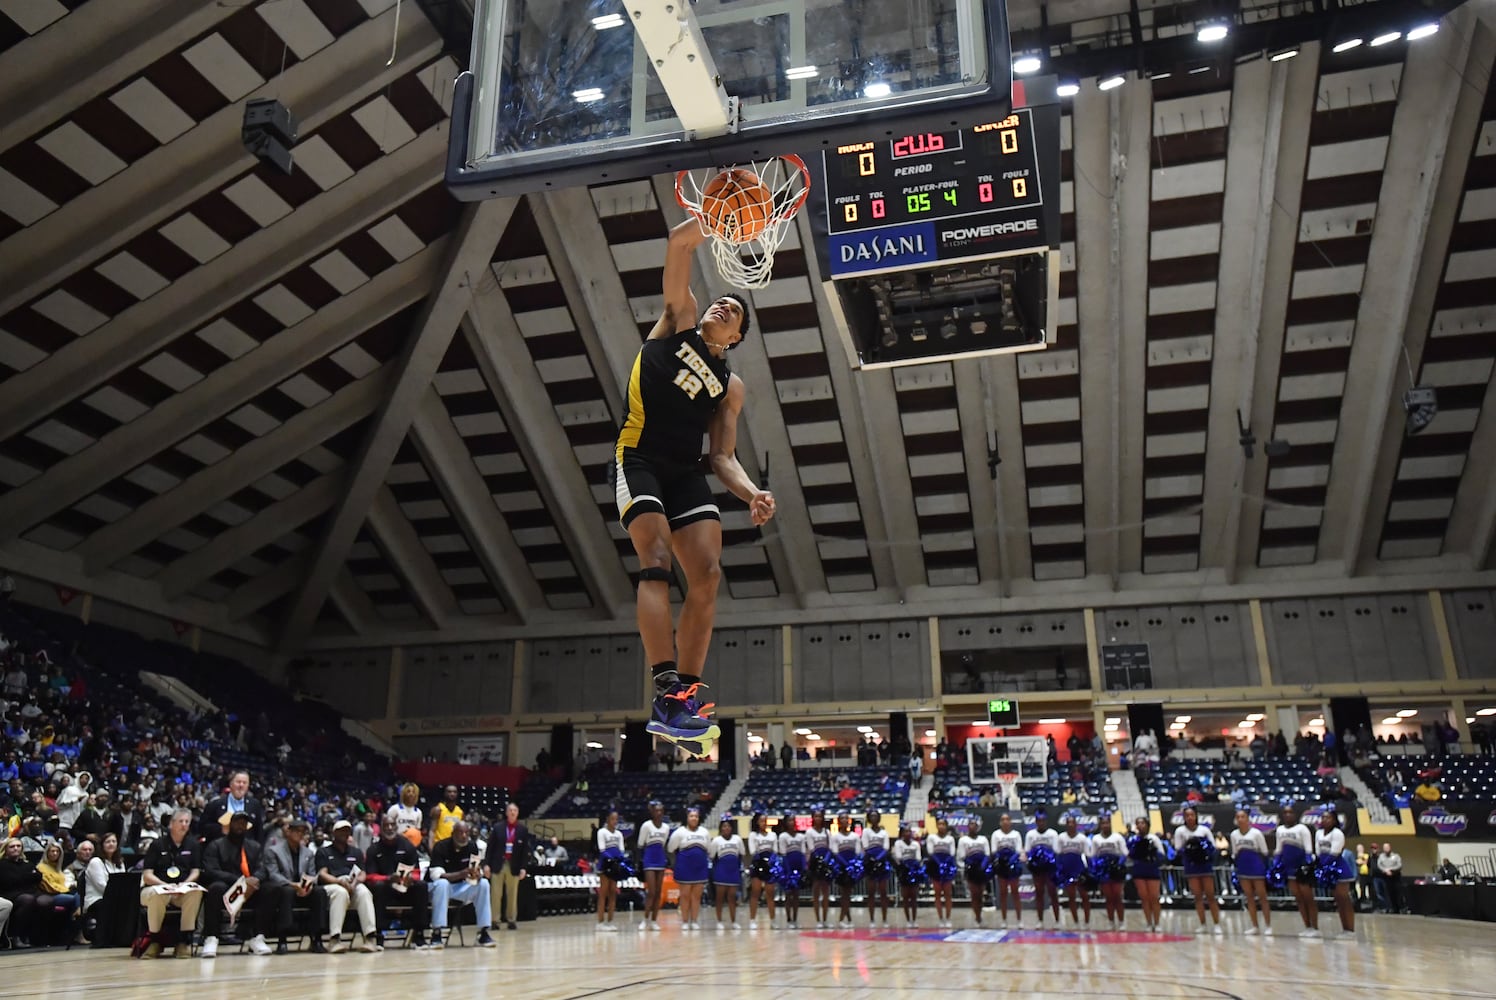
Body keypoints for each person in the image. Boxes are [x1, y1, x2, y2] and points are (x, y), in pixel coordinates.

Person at [620, 217, 775, 759]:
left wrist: (751, 492)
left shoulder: (730, 386)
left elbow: (722, 457)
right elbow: (679, 244)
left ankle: (681, 701)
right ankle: (665, 685)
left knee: (707, 574)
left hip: (685, 472)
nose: (720, 307)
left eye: (732, 310)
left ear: (735, 337)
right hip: (638, 456)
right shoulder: (678, 320)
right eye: (719, 301)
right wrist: (718, 216)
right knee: (656, 555)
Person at [137, 808, 206, 959]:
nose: (184, 825)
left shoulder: (193, 845)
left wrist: (184, 885)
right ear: (171, 824)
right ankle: (154, 941)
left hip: (180, 891)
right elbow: (147, 875)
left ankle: (184, 941)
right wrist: (164, 885)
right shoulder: (157, 844)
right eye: (181, 821)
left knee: (196, 891)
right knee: (157, 894)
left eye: (187, 822)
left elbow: (196, 872)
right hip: (155, 888)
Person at [252, 817, 326, 956]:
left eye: (303, 832)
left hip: (303, 889)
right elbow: (273, 874)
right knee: (286, 892)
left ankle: (317, 938)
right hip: (285, 888)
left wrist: (309, 884)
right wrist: (293, 885)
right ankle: (282, 938)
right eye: (297, 831)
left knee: (319, 891)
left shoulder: (308, 853)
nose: (300, 834)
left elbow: (312, 874)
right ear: (288, 832)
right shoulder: (273, 851)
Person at [199, 811, 261, 958]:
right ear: (230, 824)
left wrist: (256, 879)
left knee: (270, 889)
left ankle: (257, 937)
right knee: (215, 888)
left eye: (243, 823)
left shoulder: (255, 846)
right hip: (226, 885)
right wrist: (239, 881)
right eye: (237, 822)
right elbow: (211, 870)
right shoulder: (216, 845)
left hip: (249, 887)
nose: (240, 825)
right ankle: (211, 937)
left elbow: (262, 868)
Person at [427, 820, 496, 948]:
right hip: (438, 889)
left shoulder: (472, 847)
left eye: (466, 833)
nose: (464, 836)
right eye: (460, 833)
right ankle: (436, 933)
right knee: (442, 884)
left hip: (461, 887)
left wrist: (477, 874)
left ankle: (483, 932)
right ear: (453, 833)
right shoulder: (440, 847)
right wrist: (461, 873)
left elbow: (476, 869)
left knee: (484, 884)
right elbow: (436, 876)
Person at [315, 818, 380, 953]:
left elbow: (362, 873)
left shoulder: (356, 852)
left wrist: (355, 883)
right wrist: (339, 882)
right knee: (340, 892)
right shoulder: (324, 852)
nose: (345, 833)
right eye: (341, 831)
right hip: (332, 885)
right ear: (334, 833)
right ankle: (334, 940)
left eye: (347, 831)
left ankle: (370, 938)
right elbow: (322, 874)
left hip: (352, 884)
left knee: (364, 892)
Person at [366, 819, 430, 949]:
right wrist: (388, 878)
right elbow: (370, 876)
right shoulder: (373, 849)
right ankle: (379, 935)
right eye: (386, 825)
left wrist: (411, 878)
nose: (389, 828)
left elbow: (417, 872)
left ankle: (419, 934)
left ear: (397, 827)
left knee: (421, 886)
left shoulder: (407, 846)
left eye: (392, 825)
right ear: (381, 829)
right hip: (385, 889)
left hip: (405, 888)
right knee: (378, 887)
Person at [1173, 806, 1220, 935]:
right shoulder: (1180, 831)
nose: (1189, 817)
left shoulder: (1204, 830)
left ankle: (1217, 924)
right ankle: (1203, 924)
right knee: (1198, 896)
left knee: (1210, 895)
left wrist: (1201, 848)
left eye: (1192, 815)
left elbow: (1213, 847)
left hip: (1204, 865)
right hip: (1191, 866)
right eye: (1187, 815)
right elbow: (1178, 848)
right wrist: (1190, 848)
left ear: (1196, 816)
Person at [486, 802, 530, 932]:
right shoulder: (498, 827)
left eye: (514, 810)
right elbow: (490, 848)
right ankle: (495, 920)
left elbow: (525, 851)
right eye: (510, 810)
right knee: (495, 894)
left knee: (512, 894)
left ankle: (511, 920)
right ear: (506, 813)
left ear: (517, 813)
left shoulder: (522, 830)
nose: (512, 813)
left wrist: (523, 867)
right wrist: (486, 865)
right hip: (498, 864)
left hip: (514, 864)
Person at [1274, 805, 1317, 937]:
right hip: (1289, 868)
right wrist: (1276, 864)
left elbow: (1309, 850)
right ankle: (1307, 926)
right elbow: (1278, 849)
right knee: (1298, 898)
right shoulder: (1280, 830)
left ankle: (1315, 927)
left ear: (1296, 814)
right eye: (1285, 813)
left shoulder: (1302, 829)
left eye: (1290, 812)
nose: (1288, 815)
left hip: (1302, 868)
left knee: (1308, 898)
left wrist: (1308, 866)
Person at [667, 808, 710, 930]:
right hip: (684, 867)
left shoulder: (704, 832)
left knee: (696, 896)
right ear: (687, 818)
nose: (694, 818)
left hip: (700, 867)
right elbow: (670, 848)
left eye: (696, 816)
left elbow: (709, 848)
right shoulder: (679, 832)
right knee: (685, 895)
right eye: (691, 816)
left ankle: (694, 921)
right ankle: (685, 921)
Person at [1315, 811, 1356, 940]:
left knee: (1344, 899)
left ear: (1334, 820)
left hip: (1338, 869)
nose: (1325, 819)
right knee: (1338, 901)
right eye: (1323, 817)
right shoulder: (1318, 833)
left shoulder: (1338, 833)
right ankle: (1344, 929)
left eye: (1328, 817)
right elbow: (1318, 851)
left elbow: (1335, 853)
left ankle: (1350, 930)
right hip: (1327, 869)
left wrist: (1323, 866)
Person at [1230, 809, 1271, 936]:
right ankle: (1255, 926)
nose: (1240, 819)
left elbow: (1264, 852)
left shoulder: (1256, 833)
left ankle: (1268, 926)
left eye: (1243, 817)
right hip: (1243, 868)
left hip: (1256, 867)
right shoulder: (1234, 834)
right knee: (1249, 898)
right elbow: (1234, 852)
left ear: (1248, 819)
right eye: (1238, 817)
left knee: (1262, 897)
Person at [201, 771, 265, 844]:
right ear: (231, 784)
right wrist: (220, 829)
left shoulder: (254, 805)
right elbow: (203, 827)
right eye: (238, 782)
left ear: (248, 786)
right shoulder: (216, 804)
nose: (241, 785)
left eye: (244, 783)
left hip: (244, 849)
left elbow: (259, 832)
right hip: (221, 846)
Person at [1024, 810, 1061, 927]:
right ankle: (1040, 921)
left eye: (1043, 821)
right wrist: (1033, 861)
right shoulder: (1030, 835)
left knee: (1053, 893)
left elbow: (1056, 851)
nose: (1041, 823)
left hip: (1050, 868)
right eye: (1039, 821)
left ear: (1046, 821)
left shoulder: (1053, 834)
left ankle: (1057, 920)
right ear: (1035, 822)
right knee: (1039, 894)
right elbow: (1028, 852)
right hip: (1037, 869)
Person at [637, 801, 670, 932]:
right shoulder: (646, 826)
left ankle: (654, 920)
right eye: (656, 810)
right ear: (652, 812)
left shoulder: (666, 828)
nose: (659, 813)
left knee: (658, 892)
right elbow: (640, 844)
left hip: (660, 859)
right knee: (651, 891)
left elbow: (664, 843)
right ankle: (645, 919)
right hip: (649, 860)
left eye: (661, 810)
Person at [1090, 815, 1127, 931]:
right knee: (1109, 897)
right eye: (1103, 823)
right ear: (1100, 825)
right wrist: (1096, 867)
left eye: (1107, 823)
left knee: (1118, 896)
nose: (1105, 825)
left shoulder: (1118, 837)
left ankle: (1121, 922)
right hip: (1103, 869)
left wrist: (1119, 864)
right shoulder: (1096, 838)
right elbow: (1093, 855)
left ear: (1111, 824)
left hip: (1116, 868)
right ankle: (1111, 922)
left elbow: (1125, 852)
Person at [1055, 815, 1092, 927]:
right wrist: (1059, 870)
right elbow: (1058, 853)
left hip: (1079, 868)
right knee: (1071, 896)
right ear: (1066, 825)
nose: (1070, 824)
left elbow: (1087, 855)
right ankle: (1075, 922)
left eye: (1072, 822)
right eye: (1068, 822)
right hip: (1067, 869)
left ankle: (1086, 922)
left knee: (1084, 896)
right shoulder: (1061, 837)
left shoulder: (1082, 838)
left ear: (1076, 824)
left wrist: (1089, 870)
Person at [708, 817, 744, 930]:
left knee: (732, 898)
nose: (726, 828)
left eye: (728, 826)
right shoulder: (716, 840)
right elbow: (712, 856)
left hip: (733, 871)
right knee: (719, 898)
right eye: (724, 826)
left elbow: (741, 854)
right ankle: (719, 921)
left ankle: (734, 921)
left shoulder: (737, 839)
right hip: (720, 871)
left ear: (732, 828)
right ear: (720, 828)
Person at [595, 810, 628, 932]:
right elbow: (602, 849)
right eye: (613, 819)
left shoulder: (619, 834)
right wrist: (612, 860)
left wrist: (620, 862)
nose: (615, 821)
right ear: (607, 819)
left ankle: (610, 921)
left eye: (617, 819)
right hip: (605, 864)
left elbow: (621, 850)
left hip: (615, 865)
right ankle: (600, 922)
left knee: (613, 892)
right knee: (603, 893)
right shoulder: (601, 832)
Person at [744, 813, 778, 929]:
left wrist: (770, 862)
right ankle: (752, 920)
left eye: (765, 821)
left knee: (770, 894)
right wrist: (762, 861)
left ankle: (773, 920)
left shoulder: (773, 835)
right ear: (757, 822)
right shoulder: (753, 835)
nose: (764, 823)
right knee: (755, 893)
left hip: (770, 865)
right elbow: (753, 851)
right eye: (761, 821)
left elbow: (775, 850)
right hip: (758, 864)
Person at [83, 832, 125, 924]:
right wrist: (120, 896)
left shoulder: (120, 863)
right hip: (96, 900)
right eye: (108, 842)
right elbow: (102, 886)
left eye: (114, 841)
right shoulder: (96, 862)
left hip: (115, 899)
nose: (111, 844)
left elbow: (123, 882)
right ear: (102, 845)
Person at [924, 817, 957, 929]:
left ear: (946, 826)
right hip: (935, 866)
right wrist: (939, 863)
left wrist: (945, 864)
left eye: (943, 824)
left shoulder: (950, 839)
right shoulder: (931, 837)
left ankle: (948, 918)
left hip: (947, 865)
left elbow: (952, 852)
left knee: (948, 894)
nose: (941, 826)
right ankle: (940, 918)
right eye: (939, 824)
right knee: (937, 894)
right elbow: (930, 852)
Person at [830, 811, 861, 927]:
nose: (844, 821)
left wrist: (853, 865)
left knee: (847, 893)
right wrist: (845, 865)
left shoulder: (855, 836)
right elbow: (835, 852)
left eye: (846, 819)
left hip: (852, 868)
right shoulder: (835, 837)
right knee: (844, 893)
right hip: (841, 868)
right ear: (838, 822)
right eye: (841, 819)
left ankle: (847, 919)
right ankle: (842, 919)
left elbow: (858, 852)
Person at [804, 809, 833, 929]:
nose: (818, 818)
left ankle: (825, 919)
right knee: (816, 892)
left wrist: (826, 859)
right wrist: (818, 860)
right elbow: (811, 848)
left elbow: (830, 847)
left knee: (826, 892)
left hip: (825, 862)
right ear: (813, 818)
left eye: (820, 816)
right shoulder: (809, 832)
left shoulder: (827, 832)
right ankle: (818, 920)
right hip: (815, 863)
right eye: (816, 816)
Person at [776, 812, 805, 930]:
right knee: (788, 895)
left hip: (798, 866)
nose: (792, 822)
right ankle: (788, 919)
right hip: (787, 866)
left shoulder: (801, 836)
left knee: (796, 895)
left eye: (793, 820)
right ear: (785, 823)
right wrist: (788, 871)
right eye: (789, 820)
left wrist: (803, 869)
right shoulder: (783, 836)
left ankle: (795, 918)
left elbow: (802, 853)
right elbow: (783, 854)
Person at [891, 825, 923, 928]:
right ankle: (908, 920)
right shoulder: (898, 843)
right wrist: (906, 864)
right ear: (902, 833)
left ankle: (914, 920)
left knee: (914, 897)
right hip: (903, 871)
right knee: (905, 897)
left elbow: (918, 858)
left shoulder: (916, 844)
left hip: (914, 870)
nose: (908, 833)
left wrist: (913, 866)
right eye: (905, 831)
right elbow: (899, 857)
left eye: (909, 831)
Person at [386, 783, 424, 848]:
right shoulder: (394, 809)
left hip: (411, 845)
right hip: (396, 843)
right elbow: (387, 827)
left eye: (413, 792)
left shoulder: (418, 812)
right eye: (408, 791)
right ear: (403, 794)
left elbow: (417, 830)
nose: (411, 794)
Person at [1377, 842, 1403, 914]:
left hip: (1395, 877)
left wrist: (1391, 870)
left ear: (1390, 847)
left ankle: (1398, 908)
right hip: (1386, 877)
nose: (1386, 849)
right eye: (1385, 848)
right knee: (1388, 893)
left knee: (1397, 893)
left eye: (1387, 847)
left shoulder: (1396, 856)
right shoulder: (1381, 856)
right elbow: (1379, 865)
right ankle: (1390, 908)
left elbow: (1399, 865)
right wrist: (1385, 870)